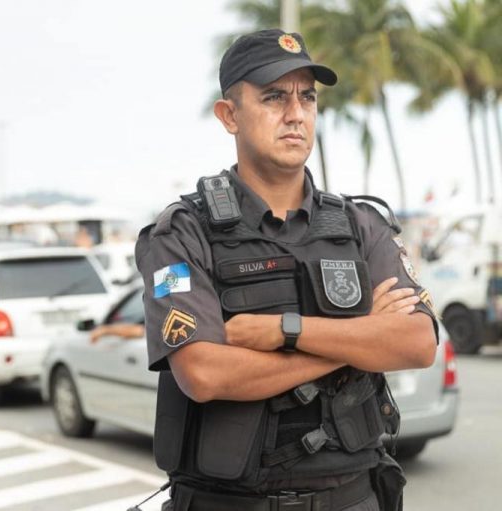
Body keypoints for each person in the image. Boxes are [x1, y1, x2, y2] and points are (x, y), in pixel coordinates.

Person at [135, 29, 438, 511]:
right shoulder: (182, 233)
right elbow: (204, 373)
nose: (295, 114)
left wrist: (285, 330)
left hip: (353, 497)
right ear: (229, 115)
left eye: (307, 98)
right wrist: (359, 340)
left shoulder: (361, 225)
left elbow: (417, 343)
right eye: (274, 97)